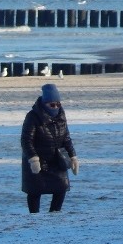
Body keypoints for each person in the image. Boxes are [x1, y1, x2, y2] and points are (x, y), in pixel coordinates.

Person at [20, 83, 79, 213]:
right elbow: (26, 140)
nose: (56, 107)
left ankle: (54, 214)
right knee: (35, 190)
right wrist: (33, 159)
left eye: (58, 104)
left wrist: (73, 156)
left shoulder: (61, 116)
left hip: (57, 159)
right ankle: (34, 215)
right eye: (52, 105)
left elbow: (66, 138)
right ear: (44, 103)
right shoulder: (33, 116)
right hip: (38, 159)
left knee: (61, 187)